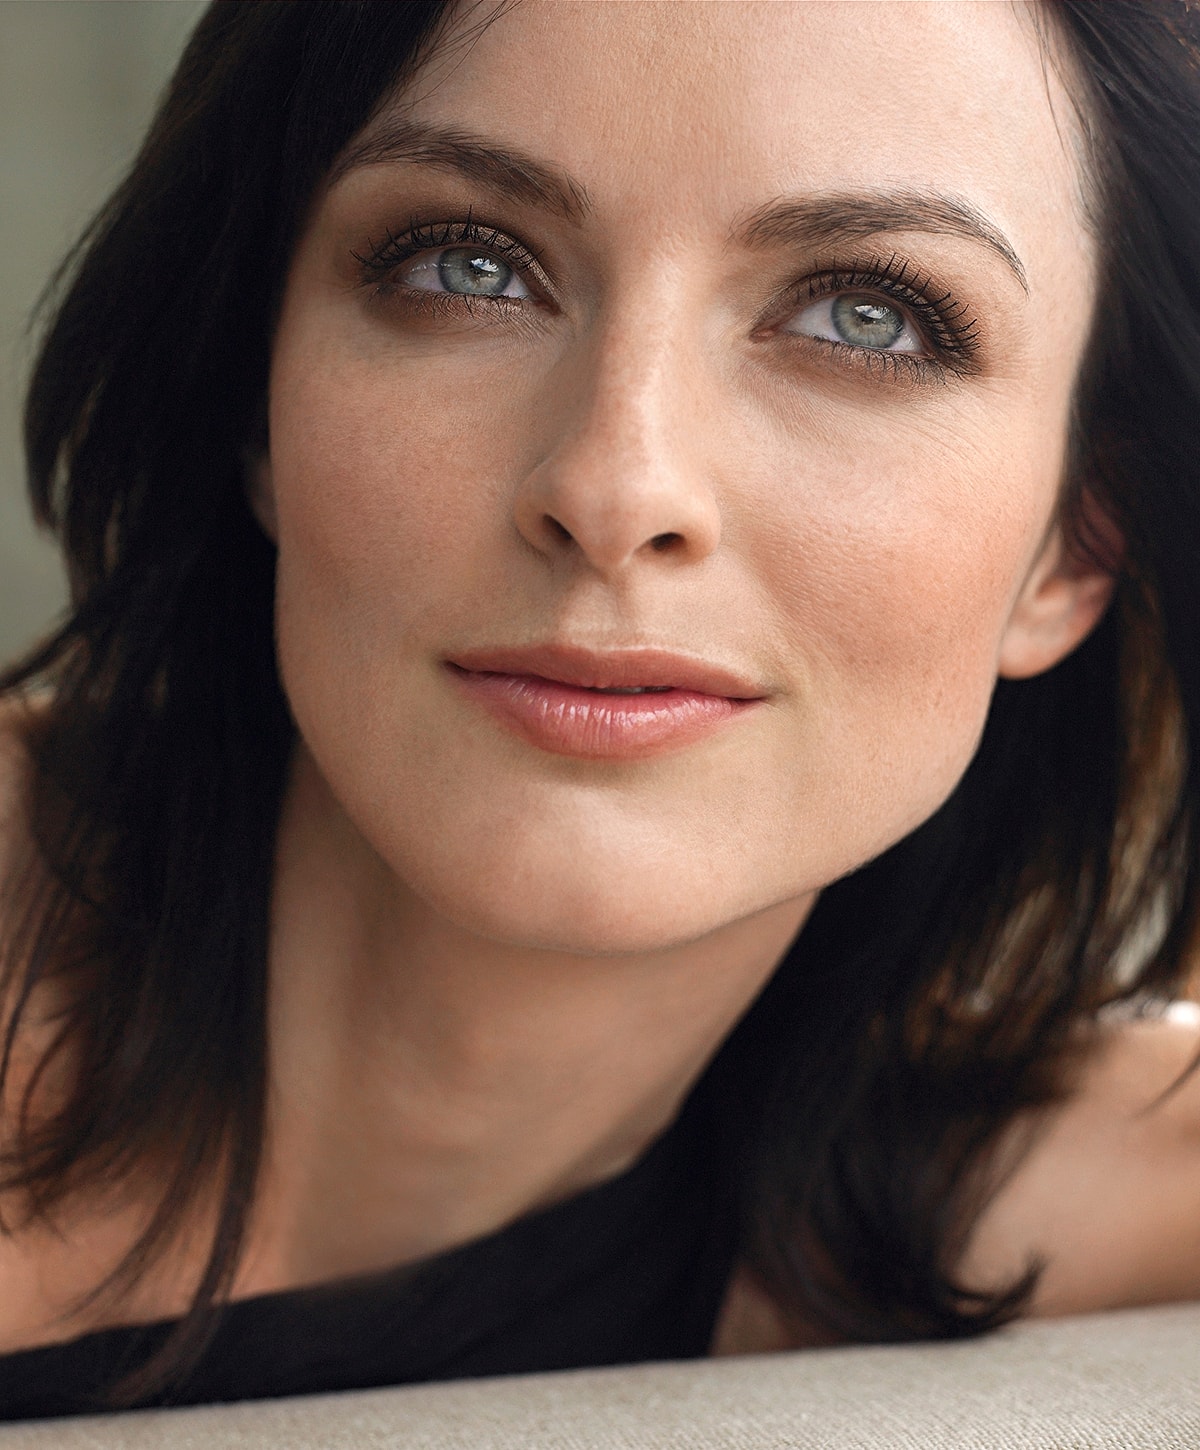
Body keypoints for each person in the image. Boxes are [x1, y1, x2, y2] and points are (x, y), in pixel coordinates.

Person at [0, 0, 1198, 1421]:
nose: (616, 487)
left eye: (865, 316)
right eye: (467, 264)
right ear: (260, 406)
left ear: (1078, 543)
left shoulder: (948, 1196)